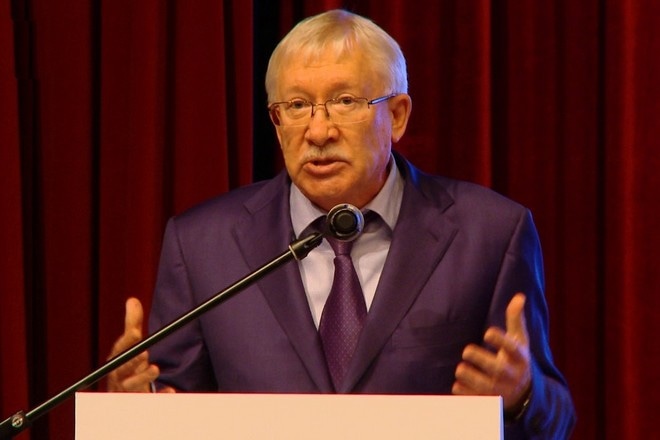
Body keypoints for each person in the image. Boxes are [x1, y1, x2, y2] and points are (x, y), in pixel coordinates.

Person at [107, 9, 575, 438]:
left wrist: (521, 398)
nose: (318, 131)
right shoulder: (203, 244)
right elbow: (169, 405)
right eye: (296, 106)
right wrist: (134, 405)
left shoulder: (490, 234)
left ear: (397, 116)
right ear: (276, 123)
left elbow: (557, 420)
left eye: (345, 101)